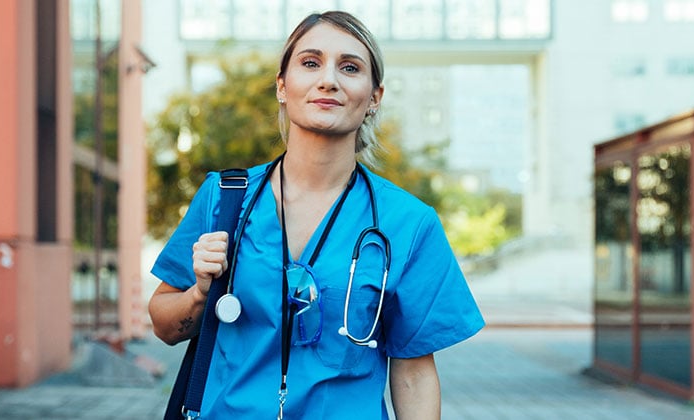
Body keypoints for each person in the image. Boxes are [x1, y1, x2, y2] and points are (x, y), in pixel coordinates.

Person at [148, 11, 484, 419]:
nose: (329, 80)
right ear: (282, 87)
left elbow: (412, 371)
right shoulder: (224, 198)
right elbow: (165, 327)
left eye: (349, 67)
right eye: (310, 63)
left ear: (374, 97)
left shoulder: (409, 223)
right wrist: (201, 293)